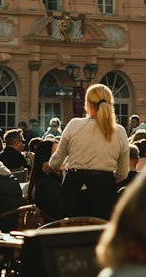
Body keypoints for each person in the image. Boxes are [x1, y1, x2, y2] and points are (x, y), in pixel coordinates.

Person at [45, 83, 128, 222]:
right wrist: (104, 180)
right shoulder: (119, 131)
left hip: (74, 190)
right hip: (105, 192)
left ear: (87, 104)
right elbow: (123, 172)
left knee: (71, 236)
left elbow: (56, 162)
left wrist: (51, 165)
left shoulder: (74, 125)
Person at [27, 138, 62, 222]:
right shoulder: (47, 184)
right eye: (56, 154)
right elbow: (59, 213)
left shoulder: (54, 180)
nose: (62, 157)